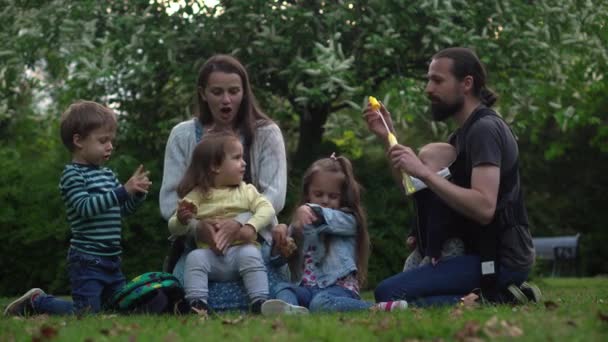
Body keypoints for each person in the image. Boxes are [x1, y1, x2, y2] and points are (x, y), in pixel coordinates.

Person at [365, 47, 539, 306]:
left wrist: (423, 170)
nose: (428, 88)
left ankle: (496, 296)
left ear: (466, 83)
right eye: (428, 79)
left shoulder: (485, 130)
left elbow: (484, 207)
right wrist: (389, 136)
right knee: (390, 294)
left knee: (389, 294)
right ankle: (488, 297)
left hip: (501, 258)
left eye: (437, 80)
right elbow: (412, 188)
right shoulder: (461, 136)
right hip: (475, 253)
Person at [159, 54, 288, 311]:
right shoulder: (182, 135)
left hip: (252, 239)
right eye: (217, 92)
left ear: (244, 92)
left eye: (233, 91)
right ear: (203, 93)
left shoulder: (266, 133)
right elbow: (169, 202)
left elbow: (275, 195)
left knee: (270, 286)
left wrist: (240, 225)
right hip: (200, 245)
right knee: (184, 286)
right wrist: (197, 227)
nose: (226, 99)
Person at [4, 101, 151, 316]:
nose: (110, 146)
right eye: (103, 140)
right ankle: (38, 301)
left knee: (121, 308)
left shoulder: (108, 175)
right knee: (86, 313)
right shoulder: (73, 175)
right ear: (78, 141)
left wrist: (136, 195)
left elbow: (120, 211)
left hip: (112, 259)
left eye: (111, 140)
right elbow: (85, 208)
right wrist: (122, 191)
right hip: (87, 260)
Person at [261, 155, 408, 315]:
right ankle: (292, 310)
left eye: (333, 196)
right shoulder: (300, 221)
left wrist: (309, 209)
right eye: (318, 194)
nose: (325, 200)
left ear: (343, 197)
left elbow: (326, 218)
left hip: (338, 290)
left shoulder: (348, 220)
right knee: (283, 288)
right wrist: (280, 240)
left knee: (320, 303)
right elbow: (278, 260)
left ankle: (373, 308)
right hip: (307, 290)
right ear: (307, 193)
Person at [169, 133, 274, 314]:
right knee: (195, 258)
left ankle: (259, 302)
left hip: (239, 252)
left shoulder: (246, 190)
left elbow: (267, 209)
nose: (244, 163)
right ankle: (197, 304)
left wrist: (250, 226)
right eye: (237, 158)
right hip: (210, 255)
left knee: (251, 253)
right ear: (215, 166)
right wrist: (182, 219)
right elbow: (173, 227)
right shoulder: (198, 194)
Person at [402, 143, 466, 272]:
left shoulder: (444, 195)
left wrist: (433, 251)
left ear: (442, 169)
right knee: (409, 265)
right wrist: (413, 234)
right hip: (424, 247)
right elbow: (420, 216)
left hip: (444, 247)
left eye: (423, 164)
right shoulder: (424, 192)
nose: (417, 167)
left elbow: (439, 224)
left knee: (422, 272)